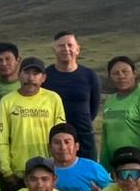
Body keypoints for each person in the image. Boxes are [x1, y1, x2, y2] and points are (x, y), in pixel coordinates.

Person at [0, 58, 66, 188]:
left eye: (36, 73)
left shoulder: (53, 99)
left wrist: (60, 165)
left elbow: (60, 136)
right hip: (19, 174)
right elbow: (2, 139)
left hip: (48, 171)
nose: (31, 78)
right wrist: (6, 171)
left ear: (43, 77)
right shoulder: (7, 101)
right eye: (27, 72)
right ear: (19, 75)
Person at [42, 33, 102, 162]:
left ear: (77, 49)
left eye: (70, 45)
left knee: (88, 178)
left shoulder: (90, 76)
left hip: (84, 138)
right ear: (54, 50)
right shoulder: (46, 76)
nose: (66, 49)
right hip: (56, 140)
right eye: (61, 46)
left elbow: (94, 109)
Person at [100, 56, 140, 177]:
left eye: (125, 71)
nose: (121, 76)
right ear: (110, 77)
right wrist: (104, 169)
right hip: (118, 168)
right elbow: (106, 139)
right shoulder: (110, 101)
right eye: (115, 73)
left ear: (134, 73)